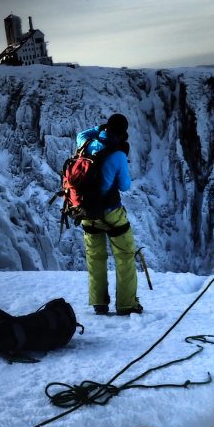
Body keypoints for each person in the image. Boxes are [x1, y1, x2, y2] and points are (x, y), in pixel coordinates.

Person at [76, 113, 143, 316]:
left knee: (95, 256)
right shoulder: (118, 155)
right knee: (124, 256)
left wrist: (100, 129)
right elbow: (124, 185)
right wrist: (121, 158)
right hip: (111, 212)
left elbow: (81, 133)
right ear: (123, 133)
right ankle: (126, 304)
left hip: (86, 211)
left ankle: (99, 303)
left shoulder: (86, 142)